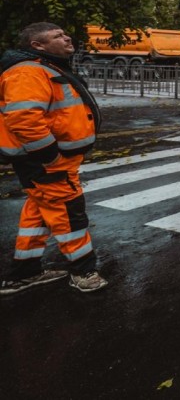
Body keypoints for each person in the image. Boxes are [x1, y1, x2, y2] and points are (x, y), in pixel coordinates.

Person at [0, 23, 108, 294]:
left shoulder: (43, 66)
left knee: (38, 212)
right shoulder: (28, 71)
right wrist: (48, 155)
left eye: (64, 33)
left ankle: (24, 273)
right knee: (68, 213)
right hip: (45, 161)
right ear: (38, 45)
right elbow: (24, 118)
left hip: (50, 159)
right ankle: (84, 272)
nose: (66, 37)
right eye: (57, 36)